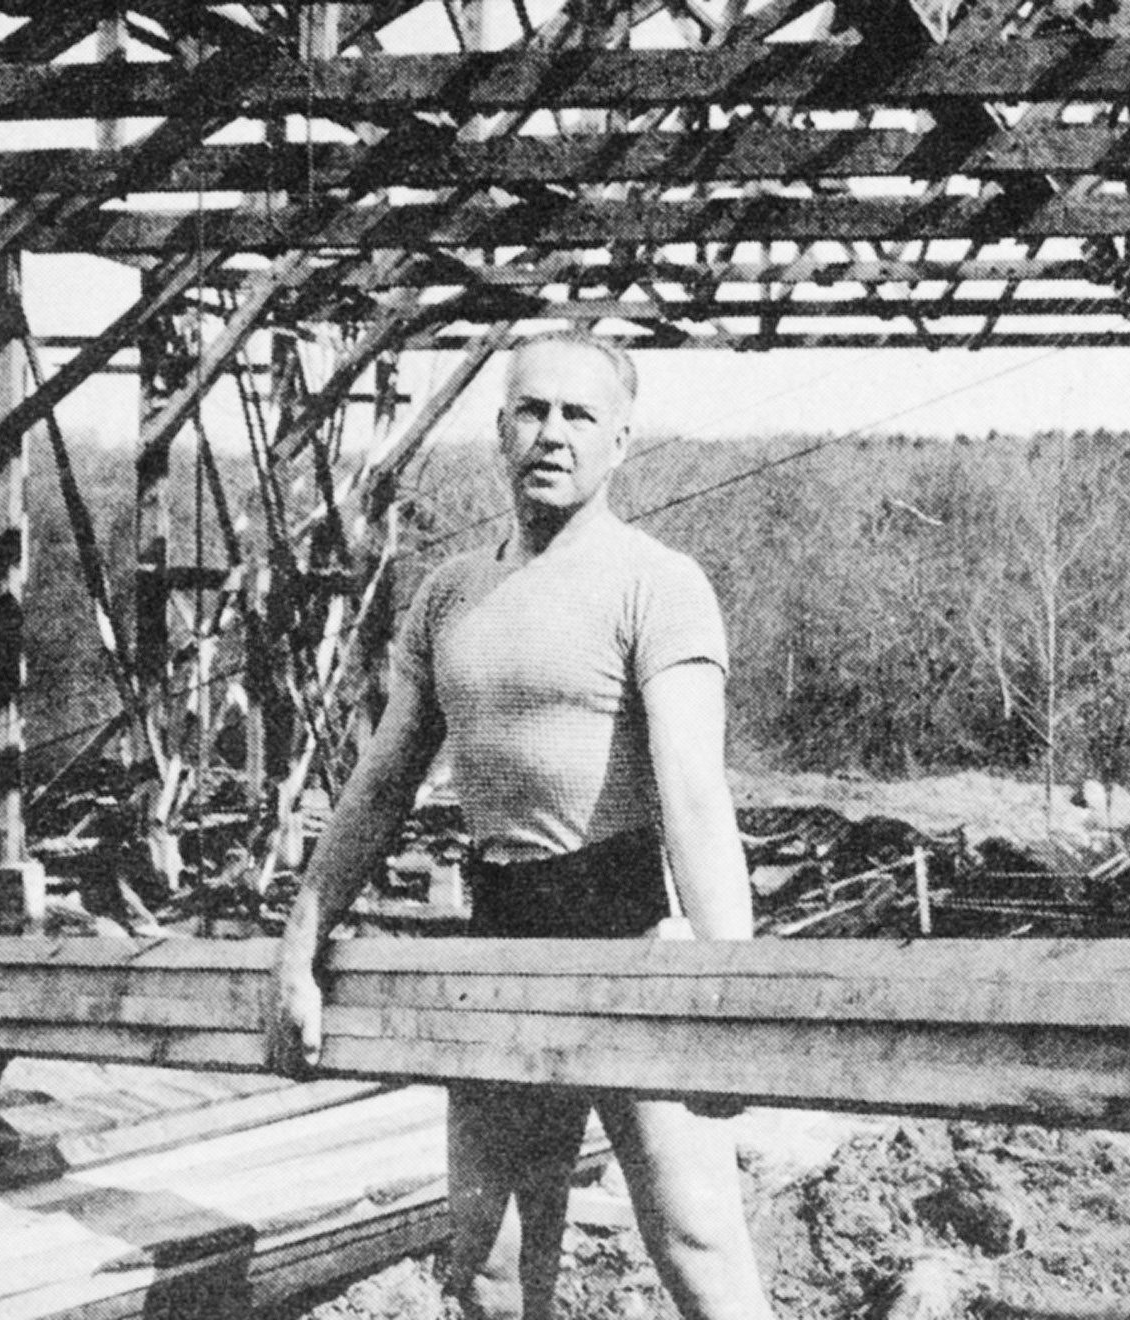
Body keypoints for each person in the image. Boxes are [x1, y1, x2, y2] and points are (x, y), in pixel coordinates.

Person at [270, 331, 776, 1320]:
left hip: (632, 945)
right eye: (531, 411)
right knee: (493, 1275)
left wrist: (732, 992)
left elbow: (693, 796)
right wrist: (299, 945)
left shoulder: (657, 583)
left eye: (578, 415)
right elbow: (378, 787)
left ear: (621, 440)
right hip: (500, 952)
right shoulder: (450, 593)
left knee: (697, 1243)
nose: (552, 434)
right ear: (500, 430)